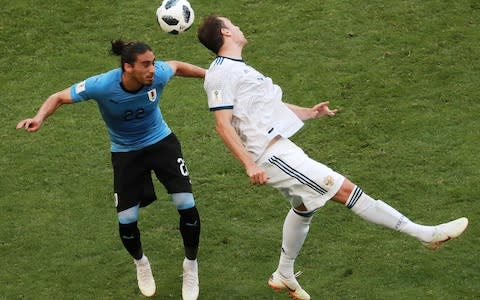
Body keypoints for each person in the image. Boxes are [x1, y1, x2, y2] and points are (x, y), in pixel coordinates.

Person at [197, 15, 469, 300]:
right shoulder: (221, 73)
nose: (239, 26)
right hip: (269, 154)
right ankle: (425, 234)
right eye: (233, 23)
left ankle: (284, 274)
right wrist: (249, 164)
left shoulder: (238, 68)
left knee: (304, 208)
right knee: (346, 190)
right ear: (226, 32)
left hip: (281, 147)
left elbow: (266, 107)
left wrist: (309, 112)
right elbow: (222, 123)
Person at [16, 39, 204, 300]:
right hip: (126, 153)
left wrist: (211, 77)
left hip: (161, 143)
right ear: (128, 67)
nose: (153, 68)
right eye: (146, 64)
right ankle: (141, 263)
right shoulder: (102, 85)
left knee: (186, 203)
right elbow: (58, 97)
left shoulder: (158, 74)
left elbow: (178, 67)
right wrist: (39, 117)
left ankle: (191, 265)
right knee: (127, 220)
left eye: (153, 62)